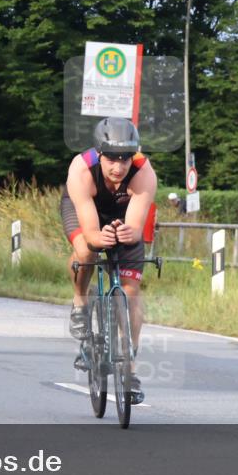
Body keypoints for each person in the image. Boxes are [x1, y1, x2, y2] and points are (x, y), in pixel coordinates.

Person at [60, 117, 157, 404]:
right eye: (112, 158)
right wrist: (97, 237)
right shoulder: (81, 169)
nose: (119, 166)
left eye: (125, 158)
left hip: (122, 214)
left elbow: (136, 228)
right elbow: (91, 233)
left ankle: (130, 371)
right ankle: (80, 301)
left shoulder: (144, 172)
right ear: (99, 154)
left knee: (130, 292)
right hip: (85, 209)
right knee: (86, 252)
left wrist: (127, 232)